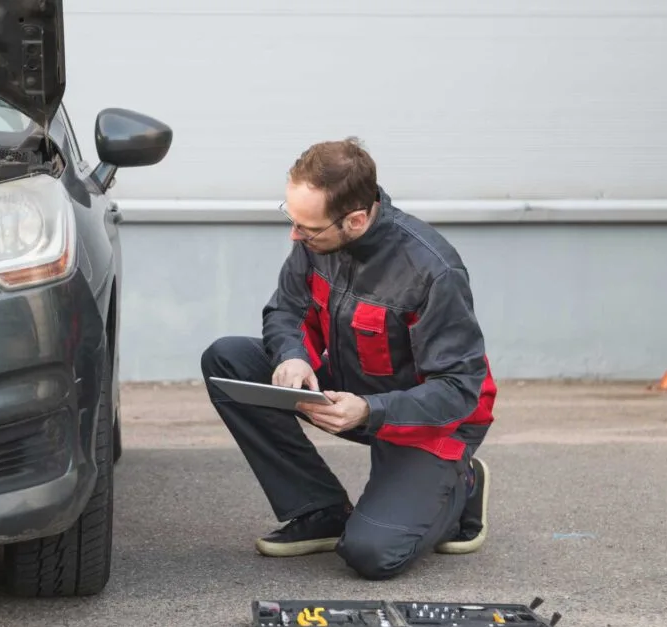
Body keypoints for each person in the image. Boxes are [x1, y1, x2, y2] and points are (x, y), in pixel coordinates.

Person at [201, 137, 497, 580]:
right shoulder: (317, 240)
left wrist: (371, 411)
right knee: (228, 359)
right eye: (292, 219)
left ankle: (461, 484)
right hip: (348, 390)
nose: (294, 235)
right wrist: (293, 357)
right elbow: (287, 309)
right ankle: (320, 510)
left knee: (372, 554)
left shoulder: (433, 271)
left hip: (426, 421)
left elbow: (459, 390)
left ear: (355, 219)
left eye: (307, 228)